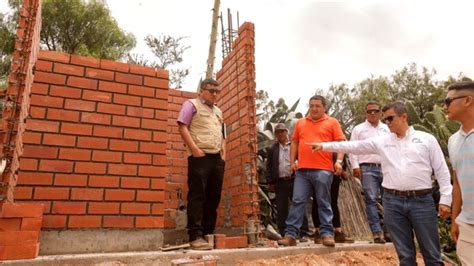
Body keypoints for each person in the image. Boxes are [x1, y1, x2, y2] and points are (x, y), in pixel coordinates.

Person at [308, 101, 452, 265]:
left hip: (422, 201)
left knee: (432, 255)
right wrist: (323, 146)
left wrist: (446, 199)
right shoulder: (382, 141)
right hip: (393, 202)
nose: (387, 123)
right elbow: (354, 145)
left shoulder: (427, 139)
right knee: (405, 256)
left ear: (404, 116)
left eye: (390, 118)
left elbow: (441, 170)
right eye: (386, 120)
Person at [277, 95, 346, 247]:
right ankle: (291, 235)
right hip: (302, 170)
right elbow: (294, 141)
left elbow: (341, 143)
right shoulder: (301, 123)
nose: (314, 108)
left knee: (323, 201)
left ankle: (327, 234)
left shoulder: (332, 122)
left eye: (317, 106)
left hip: (323, 170)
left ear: (324, 108)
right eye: (311, 105)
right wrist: (292, 162)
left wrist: (339, 162)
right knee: (297, 201)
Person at [177, 78, 226, 250]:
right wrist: (194, 149)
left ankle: (208, 233)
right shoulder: (191, 104)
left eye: (216, 91)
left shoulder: (218, 112)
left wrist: (223, 155)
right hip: (200, 157)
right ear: (201, 91)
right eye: (211, 90)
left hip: (216, 159)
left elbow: (222, 134)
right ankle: (195, 235)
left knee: (214, 197)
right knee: (198, 196)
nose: (214, 93)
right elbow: (182, 126)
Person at [349, 101, 390, 244]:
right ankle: (377, 232)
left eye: (375, 111)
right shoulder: (358, 129)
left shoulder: (386, 128)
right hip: (367, 168)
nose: (372, 113)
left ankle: (389, 231)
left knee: (389, 200)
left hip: (386, 167)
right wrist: (355, 166)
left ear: (380, 112)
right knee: (371, 200)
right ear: (365, 113)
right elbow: (352, 148)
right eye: (369, 111)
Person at [445, 81, 474, 265]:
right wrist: (456, 220)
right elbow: (457, 183)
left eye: (448, 101)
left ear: (467, 100)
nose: (444, 106)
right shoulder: (453, 141)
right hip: (467, 224)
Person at [267, 123, 311, 240]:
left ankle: (303, 233)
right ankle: (284, 233)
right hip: (280, 182)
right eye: (278, 132)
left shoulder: (295, 145)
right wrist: (271, 182)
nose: (280, 134)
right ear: (276, 134)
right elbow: (269, 166)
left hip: (295, 180)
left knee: (299, 205)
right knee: (281, 208)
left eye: (282, 131)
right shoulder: (272, 149)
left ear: (287, 132)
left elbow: (303, 158)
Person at [312, 155, 354, 244]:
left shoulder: (336, 144)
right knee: (317, 200)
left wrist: (343, 171)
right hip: (318, 172)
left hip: (334, 173)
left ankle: (337, 231)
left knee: (333, 202)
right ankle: (318, 231)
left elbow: (340, 156)